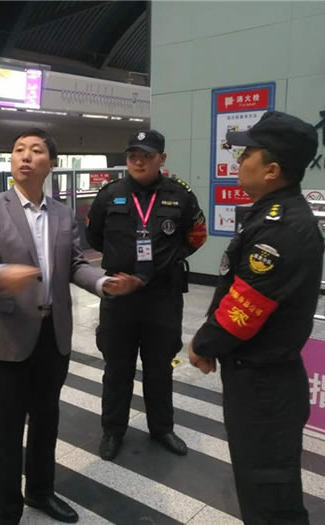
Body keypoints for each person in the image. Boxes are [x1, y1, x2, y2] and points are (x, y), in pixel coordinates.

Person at [0, 128, 141, 525]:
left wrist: (103, 283)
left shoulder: (62, 213)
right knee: (6, 430)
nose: (25, 156)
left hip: (53, 333)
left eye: (36, 150)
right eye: (18, 150)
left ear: (51, 164)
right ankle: (7, 513)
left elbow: (75, 263)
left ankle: (41, 491)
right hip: (10, 336)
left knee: (46, 419)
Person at [188, 111, 323, 524]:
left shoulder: (282, 227)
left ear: (272, 170)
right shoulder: (272, 215)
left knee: (269, 495)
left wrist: (203, 344)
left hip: (266, 386)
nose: (239, 159)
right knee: (262, 484)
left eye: (247, 153)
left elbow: (246, 306)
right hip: (259, 379)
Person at [86, 129, 207, 461]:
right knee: (117, 367)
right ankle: (113, 431)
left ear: (161, 159)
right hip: (119, 296)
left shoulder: (180, 195)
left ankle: (162, 428)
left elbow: (197, 235)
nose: (138, 162)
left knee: (160, 367)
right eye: (133, 156)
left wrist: (168, 259)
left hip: (162, 297)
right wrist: (123, 261)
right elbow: (94, 236)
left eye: (147, 156)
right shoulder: (109, 195)